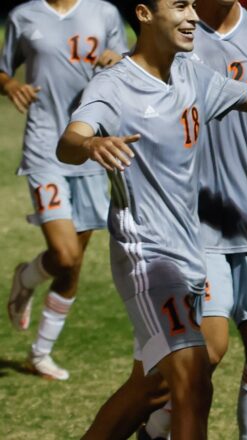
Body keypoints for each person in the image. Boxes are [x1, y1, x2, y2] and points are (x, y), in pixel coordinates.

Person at [56, 0, 247, 437]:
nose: (192, 15)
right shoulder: (114, 85)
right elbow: (70, 140)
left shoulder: (190, 74)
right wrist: (92, 145)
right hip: (150, 260)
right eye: (179, 6)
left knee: (158, 385)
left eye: (193, 5)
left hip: (189, 254)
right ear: (145, 14)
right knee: (191, 379)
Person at [1, 0, 127, 381]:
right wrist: (10, 85)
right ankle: (25, 279)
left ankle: (40, 353)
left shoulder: (104, 13)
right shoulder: (23, 16)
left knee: (73, 265)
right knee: (65, 254)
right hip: (44, 149)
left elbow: (132, 68)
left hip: (88, 148)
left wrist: (116, 60)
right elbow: (2, 70)